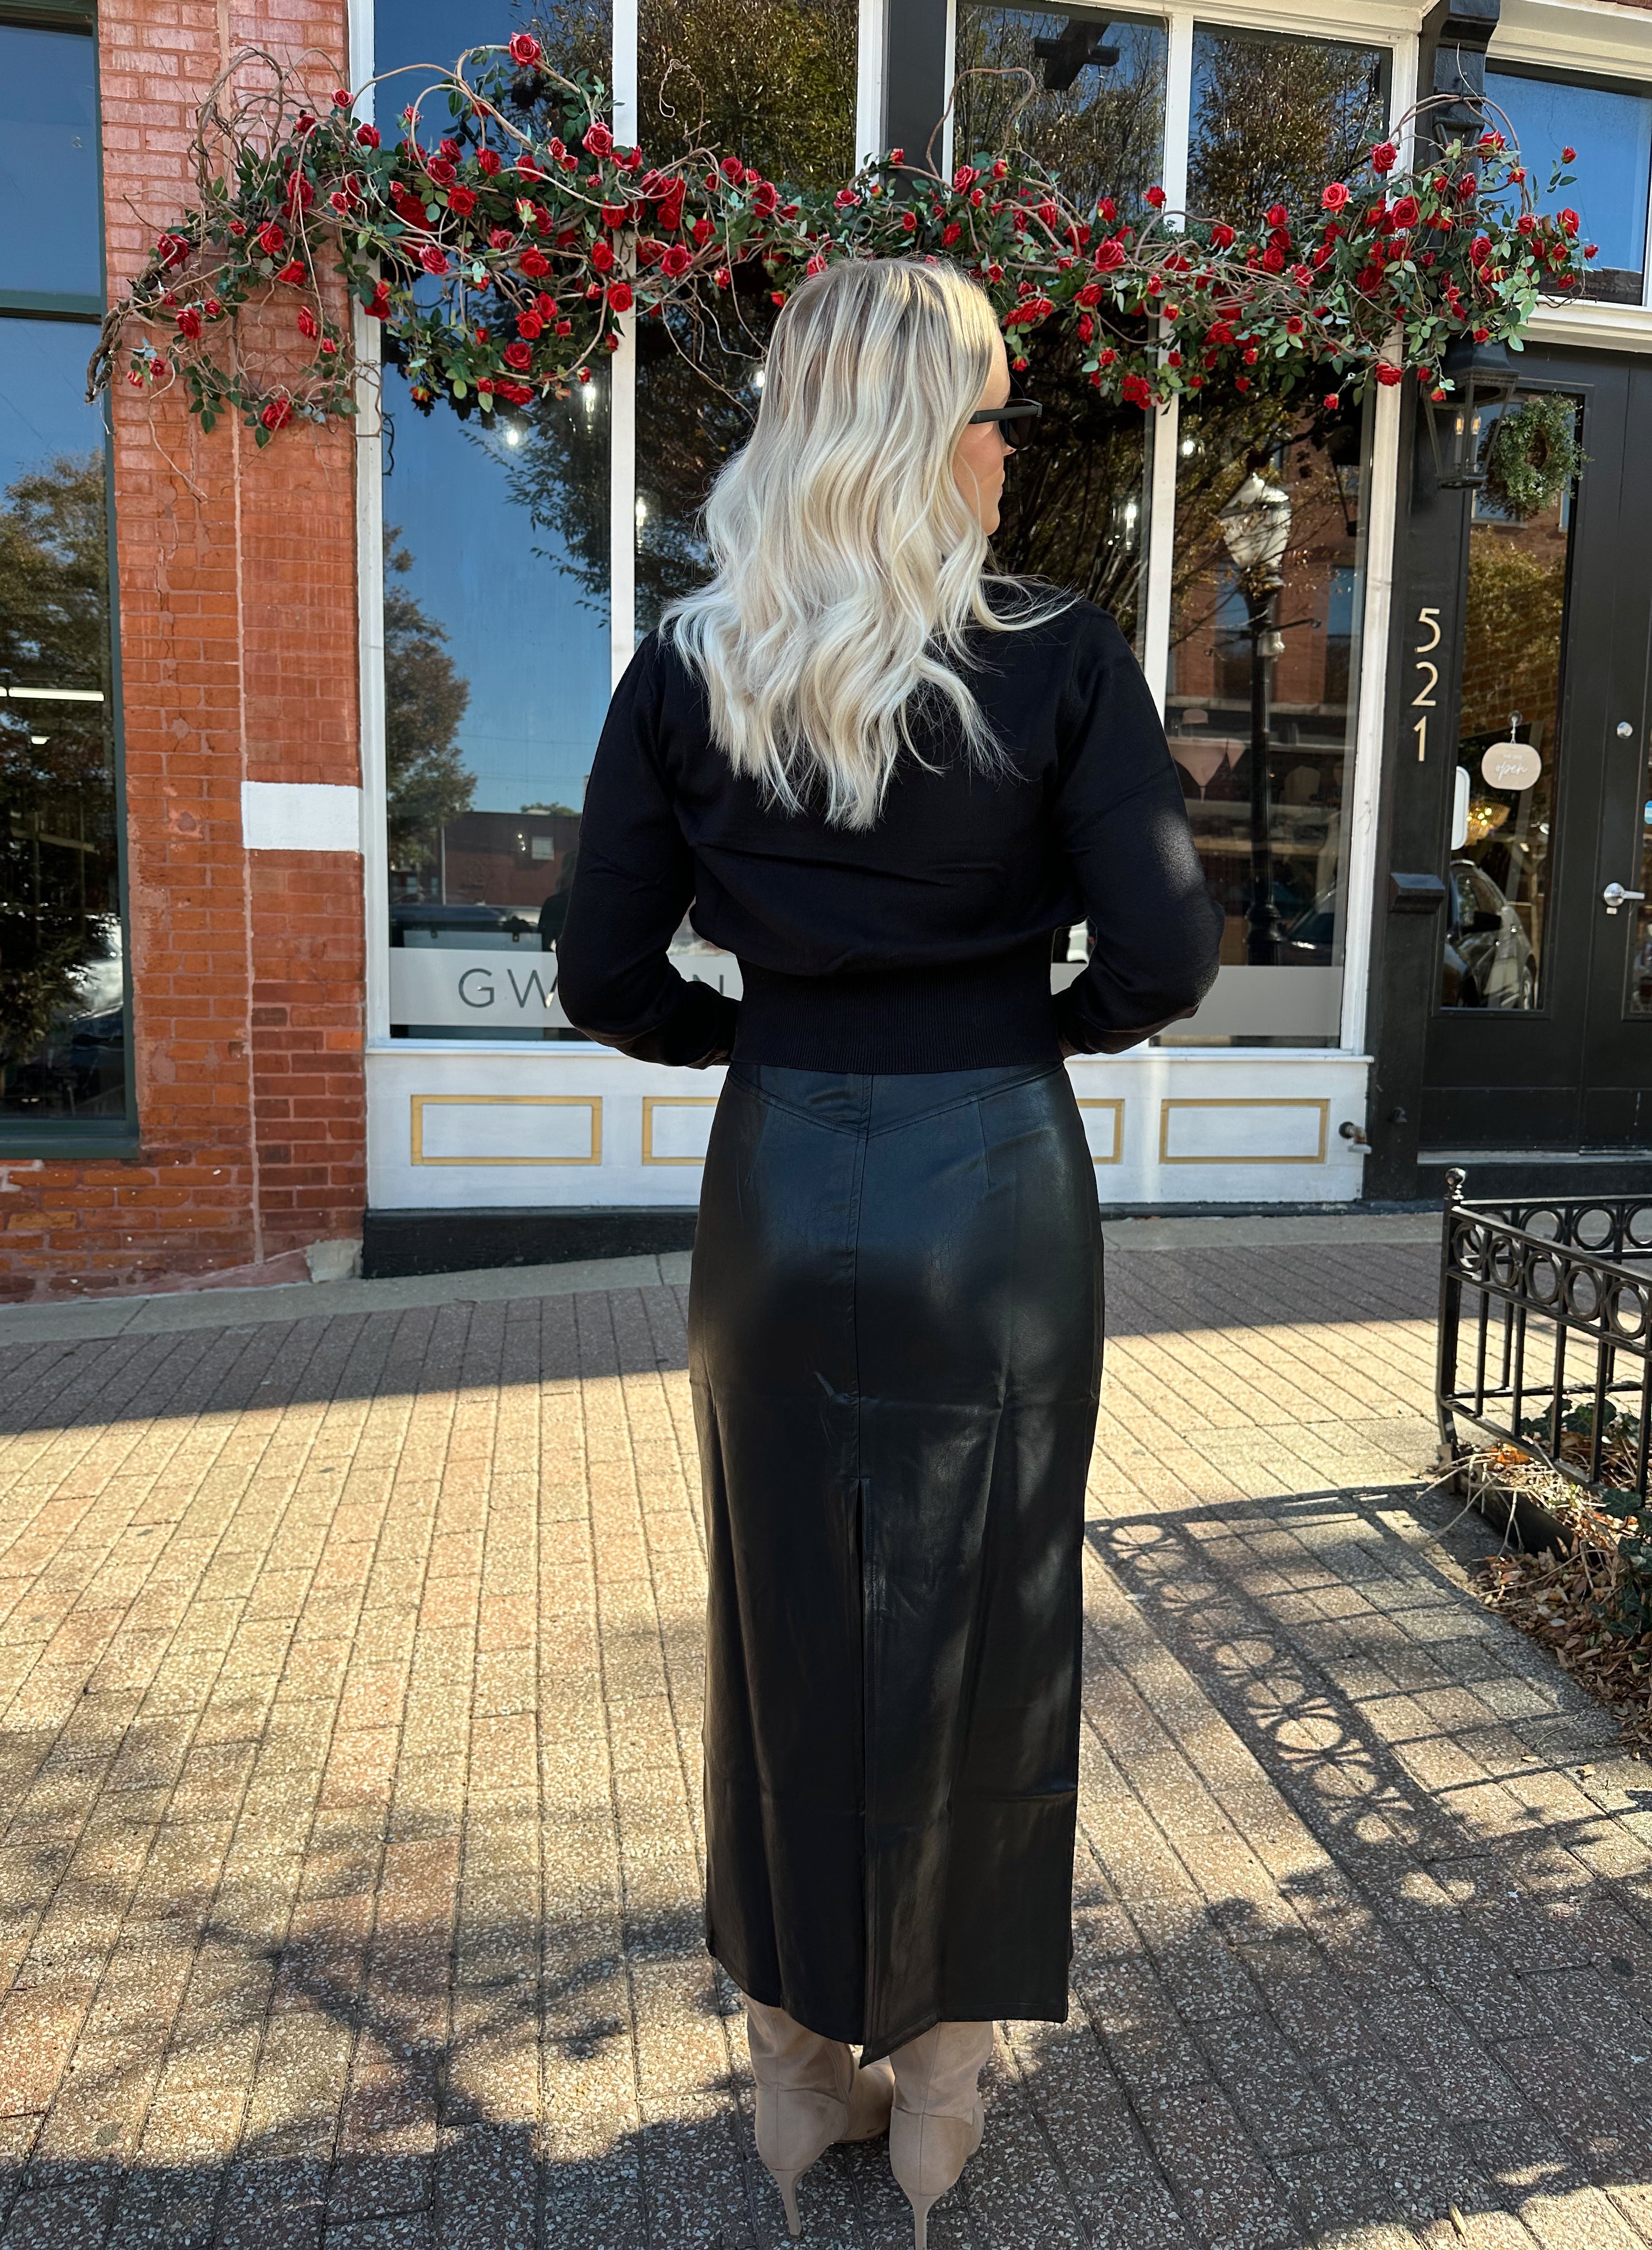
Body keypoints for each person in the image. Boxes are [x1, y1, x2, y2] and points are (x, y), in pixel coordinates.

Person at [556, 258, 1222, 2246]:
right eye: (998, 411)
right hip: (992, 1181)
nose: (1013, 447)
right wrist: (1033, 1027)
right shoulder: (1060, 658)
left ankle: (793, 2068)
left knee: (782, 1620)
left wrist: (748, 1039)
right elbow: (1166, 951)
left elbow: (602, 974)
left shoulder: (687, 668)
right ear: (929, 436)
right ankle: (940, 2082)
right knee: (987, 1618)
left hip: (780, 1184)